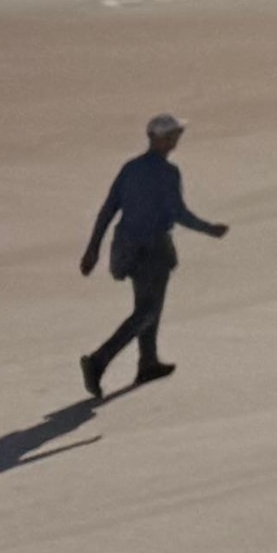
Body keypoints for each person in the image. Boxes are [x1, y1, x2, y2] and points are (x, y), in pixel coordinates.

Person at [79, 112, 230, 399]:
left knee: (147, 304)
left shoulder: (130, 168)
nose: (177, 139)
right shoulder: (168, 173)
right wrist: (209, 229)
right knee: (147, 310)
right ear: (162, 139)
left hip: (126, 248)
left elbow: (108, 209)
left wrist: (93, 249)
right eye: (174, 135)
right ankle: (99, 360)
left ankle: (148, 362)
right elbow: (178, 212)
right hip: (154, 250)